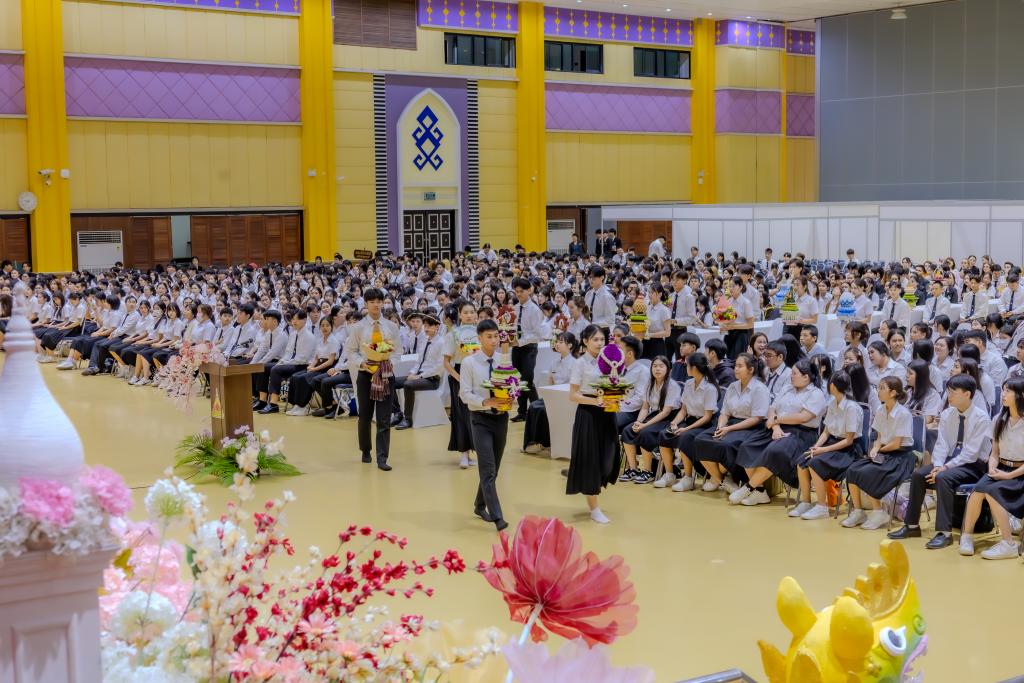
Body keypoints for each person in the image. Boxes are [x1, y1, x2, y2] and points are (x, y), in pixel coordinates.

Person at [888, 373, 991, 548]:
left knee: (943, 478)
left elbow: (971, 453)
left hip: (974, 465)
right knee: (919, 474)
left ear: (967, 394)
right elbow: (941, 444)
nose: (948, 396)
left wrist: (944, 468)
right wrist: (937, 465)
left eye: (953, 392)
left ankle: (944, 533)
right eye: (948, 391)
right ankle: (911, 525)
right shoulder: (947, 414)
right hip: (949, 462)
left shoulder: (981, 418)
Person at [732, 359, 827, 506]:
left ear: (806, 377)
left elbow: (803, 417)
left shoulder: (816, 394)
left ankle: (748, 488)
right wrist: (776, 426)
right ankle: (760, 491)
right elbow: (772, 408)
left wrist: (776, 420)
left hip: (801, 433)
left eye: (794, 373)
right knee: (747, 446)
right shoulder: (787, 388)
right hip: (777, 427)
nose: (791, 376)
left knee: (775, 451)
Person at [960, 378, 1024, 558]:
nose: (1003, 394)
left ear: (1021, 395)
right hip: (1001, 467)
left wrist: (1007, 476)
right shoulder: (998, 419)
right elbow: (994, 452)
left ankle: (1008, 543)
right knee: (978, 490)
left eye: (1008, 391)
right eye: (1003, 390)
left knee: (991, 491)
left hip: (1020, 473)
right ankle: (966, 536)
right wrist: (992, 468)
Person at [458, 318, 512, 532]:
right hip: (480, 419)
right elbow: (464, 394)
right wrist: (485, 401)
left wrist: (511, 399)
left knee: (494, 469)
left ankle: (479, 505)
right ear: (479, 338)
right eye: (489, 337)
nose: (493, 340)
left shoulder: (503, 360)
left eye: (496, 336)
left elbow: (511, 388)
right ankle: (498, 517)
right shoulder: (469, 363)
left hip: (501, 418)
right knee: (488, 469)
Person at [843, 376, 917, 530]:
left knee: (869, 472)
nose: (878, 391)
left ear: (893, 393)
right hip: (885, 453)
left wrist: (879, 450)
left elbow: (897, 444)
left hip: (901, 458)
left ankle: (879, 512)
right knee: (852, 470)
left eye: (882, 388)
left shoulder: (903, 414)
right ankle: (858, 511)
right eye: (878, 387)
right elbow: (879, 437)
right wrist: (875, 448)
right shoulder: (880, 409)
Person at [566, 325, 621, 524]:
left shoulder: (609, 360)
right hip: (588, 413)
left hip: (608, 412)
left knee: (609, 456)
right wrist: (595, 401)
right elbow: (573, 395)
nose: (599, 343)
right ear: (585, 341)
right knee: (591, 460)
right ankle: (594, 508)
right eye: (595, 339)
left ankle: (595, 488)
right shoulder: (580, 363)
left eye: (601, 339)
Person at [794, 370, 865, 520]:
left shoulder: (851, 407)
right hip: (831, 443)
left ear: (832, 386)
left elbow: (849, 440)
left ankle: (822, 507)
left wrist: (823, 450)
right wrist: (816, 447)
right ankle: (806, 502)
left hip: (848, 450)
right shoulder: (832, 403)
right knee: (802, 461)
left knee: (815, 463)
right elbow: (826, 431)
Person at [695, 353, 769, 493]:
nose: (736, 369)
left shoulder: (760, 389)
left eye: (740, 366)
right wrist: (721, 426)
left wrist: (729, 429)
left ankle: (723, 477)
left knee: (725, 444)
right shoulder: (732, 386)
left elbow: (756, 418)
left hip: (751, 427)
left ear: (751, 369)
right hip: (731, 423)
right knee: (700, 440)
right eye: (735, 366)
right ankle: (721, 480)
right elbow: (725, 412)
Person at [344, 288, 401, 471]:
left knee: (384, 418)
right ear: (366, 304)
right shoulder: (358, 327)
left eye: (379, 301)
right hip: (366, 375)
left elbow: (398, 351)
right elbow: (351, 351)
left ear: (383, 303)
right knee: (365, 416)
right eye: (372, 302)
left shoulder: (391, 327)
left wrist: (390, 364)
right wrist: (361, 363)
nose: (376, 305)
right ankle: (365, 450)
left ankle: (382, 457)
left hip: (386, 375)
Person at [654, 352, 720, 491]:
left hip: (705, 424)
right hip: (690, 420)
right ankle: (670, 474)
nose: (686, 367)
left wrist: (686, 429)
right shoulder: (689, 383)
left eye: (687, 365)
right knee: (664, 434)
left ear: (694, 368)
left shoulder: (710, 388)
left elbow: (707, 417)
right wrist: (674, 423)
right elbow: (683, 410)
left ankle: (688, 478)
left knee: (685, 437)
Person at [620, 356, 681, 484]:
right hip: (654, 415)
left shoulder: (673, 386)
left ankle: (648, 471)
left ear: (668, 369)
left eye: (661, 366)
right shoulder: (649, 384)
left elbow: (666, 412)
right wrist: (639, 422)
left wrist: (645, 425)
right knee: (628, 431)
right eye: (655, 366)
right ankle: (633, 469)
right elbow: (645, 407)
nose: (657, 369)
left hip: (669, 418)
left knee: (645, 432)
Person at [523, 331, 576, 454]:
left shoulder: (575, 364)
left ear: (570, 345)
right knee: (533, 406)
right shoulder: (554, 363)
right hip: (554, 397)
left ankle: (544, 443)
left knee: (541, 410)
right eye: (557, 341)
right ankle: (531, 443)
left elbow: (573, 386)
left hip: (566, 398)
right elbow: (550, 382)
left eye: (561, 342)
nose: (557, 344)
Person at [258, 309, 316, 414]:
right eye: (293, 319)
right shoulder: (293, 334)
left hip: (302, 365)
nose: (294, 321)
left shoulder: (309, 337)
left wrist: (285, 363)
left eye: (297, 319)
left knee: (276, 370)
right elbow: (288, 353)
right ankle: (262, 400)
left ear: (304, 320)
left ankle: (273, 404)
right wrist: (282, 361)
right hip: (291, 363)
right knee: (265, 367)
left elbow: (303, 358)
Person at [393, 313, 445, 429]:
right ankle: (397, 413)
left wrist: (419, 377)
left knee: (408, 385)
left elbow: (438, 368)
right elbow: (419, 361)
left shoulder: (441, 343)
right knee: (391, 381)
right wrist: (413, 372)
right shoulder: (425, 340)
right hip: (418, 375)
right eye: (425, 326)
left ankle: (408, 419)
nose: (426, 329)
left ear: (437, 327)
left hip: (431, 379)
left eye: (429, 326)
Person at [444, 300, 479, 468]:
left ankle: (476, 450)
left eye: (472, 312)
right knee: (461, 414)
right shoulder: (453, 334)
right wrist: (460, 379)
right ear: (459, 314)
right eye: (465, 312)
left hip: (478, 374)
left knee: (477, 413)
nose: (469, 315)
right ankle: (464, 453)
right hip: (459, 374)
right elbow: (446, 363)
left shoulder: (481, 332)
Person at [284, 317, 341, 416]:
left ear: (332, 327)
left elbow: (330, 362)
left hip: (327, 368)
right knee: (295, 376)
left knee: (303, 378)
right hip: (318, 365)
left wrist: (314, 369)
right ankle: (296, 405)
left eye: (327, 325)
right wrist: (310, 367)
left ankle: (303, 407)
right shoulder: (320, 340)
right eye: (322, 326)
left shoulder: (334, 341)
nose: (324, 328)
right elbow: (316, 358)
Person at [510, 277, 543, 422]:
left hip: (529, 348)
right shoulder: (515, 308)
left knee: (527, 380)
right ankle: (522, 412)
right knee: (517, 380)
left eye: (521, 291)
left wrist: (520, 341)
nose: (518, 294)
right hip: (516, 348)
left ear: (529, 291)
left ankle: (538, 411)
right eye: (516, 291)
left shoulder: (534, 310)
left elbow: (537, 334)